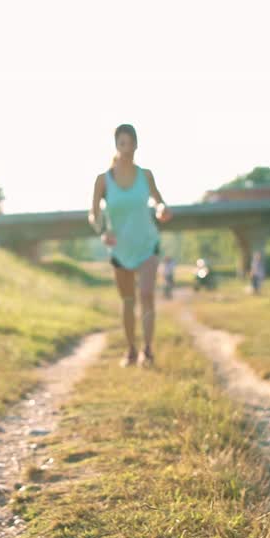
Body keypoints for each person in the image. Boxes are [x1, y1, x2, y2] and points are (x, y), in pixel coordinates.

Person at [89, 124, 172, 367]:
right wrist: (103, 231)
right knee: (127, 300)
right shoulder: (103, 180)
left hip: (147, 243)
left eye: (130, 143)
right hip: (119, 247)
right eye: (121, 144)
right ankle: (131, 350)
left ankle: (148, 349)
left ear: (136, 145)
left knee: (146, 294)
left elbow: (158, 202)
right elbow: (93, 214)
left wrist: (162, 210)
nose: (126, 149)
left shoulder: (145, 175)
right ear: (116, 146)